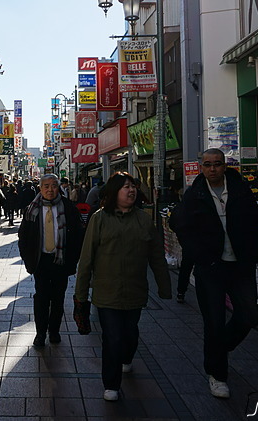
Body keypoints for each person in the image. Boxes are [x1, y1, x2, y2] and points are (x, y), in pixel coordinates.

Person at [168, 148, 258, 399]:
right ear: (201, 167)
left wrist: (253, 254)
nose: (212, 169)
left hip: (240, 265)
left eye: (217, 164)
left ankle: (220, 347)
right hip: (210, 267)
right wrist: (198, 254)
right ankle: (218, 375)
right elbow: (178, 223)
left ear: (225, 166)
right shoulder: (195, 195)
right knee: (213, 322)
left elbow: (255, 222)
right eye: (208, 164)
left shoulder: (241, 190)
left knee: (249, 316)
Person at [75, 172, 171, 402]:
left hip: (136, 290)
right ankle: (111, 384)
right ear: (113, 192)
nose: (131, 191)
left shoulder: (144, 219)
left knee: (129, 334)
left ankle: (127, 357)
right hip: (106, 292)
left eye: (133, 187)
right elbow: (86, 258)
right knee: (112, 337)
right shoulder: (99, 219)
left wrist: (164, 286)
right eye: (125, 187)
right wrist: (81, 295)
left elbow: (157, 255)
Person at [18, 174, 84, 347]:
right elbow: (23, 236)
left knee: (58, 298)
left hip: (60, 260)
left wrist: (73, 260)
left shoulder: (68, 208)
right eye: (46, 186)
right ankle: (40, 333)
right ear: (40, 188)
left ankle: (54, 330)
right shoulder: (32, 209)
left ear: (59, 188)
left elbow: (78, 236)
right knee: (41, 297)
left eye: (53, 186)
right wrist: (27, 259)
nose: (50, 189)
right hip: (40, 260)